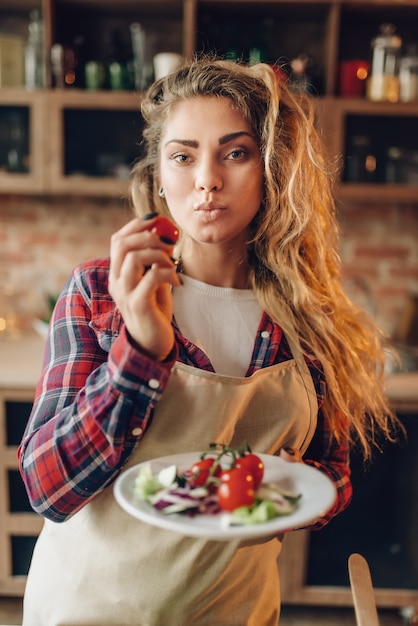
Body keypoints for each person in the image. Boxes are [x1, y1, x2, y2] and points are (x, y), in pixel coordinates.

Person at [18, 57, 400, 625]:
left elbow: (333, 479)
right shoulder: (100, 291)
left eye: (235, 152)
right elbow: (50, 487)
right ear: (158, 174)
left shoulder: (309, 319)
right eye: (183, 155)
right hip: (89, 610)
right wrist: (141, 352)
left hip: (235, 613)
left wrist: (270, 493)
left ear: (273, 167)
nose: (207, 180)